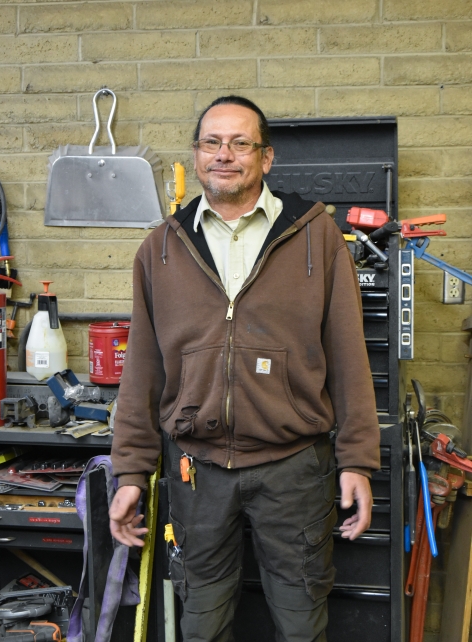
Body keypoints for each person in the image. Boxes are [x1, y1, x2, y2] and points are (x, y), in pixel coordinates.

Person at [109, 95, 380, 642]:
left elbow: (350, 354)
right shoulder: (161, 247)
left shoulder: (316, 235)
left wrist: (358, 461)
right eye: (212, 142)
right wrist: (130, 472)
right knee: (202, 625)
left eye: (240, 143)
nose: (224, 155)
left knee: (303, 624)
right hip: (196, 472)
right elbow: (141, 370)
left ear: (267, 157)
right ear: (196, 153)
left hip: (294, 469)